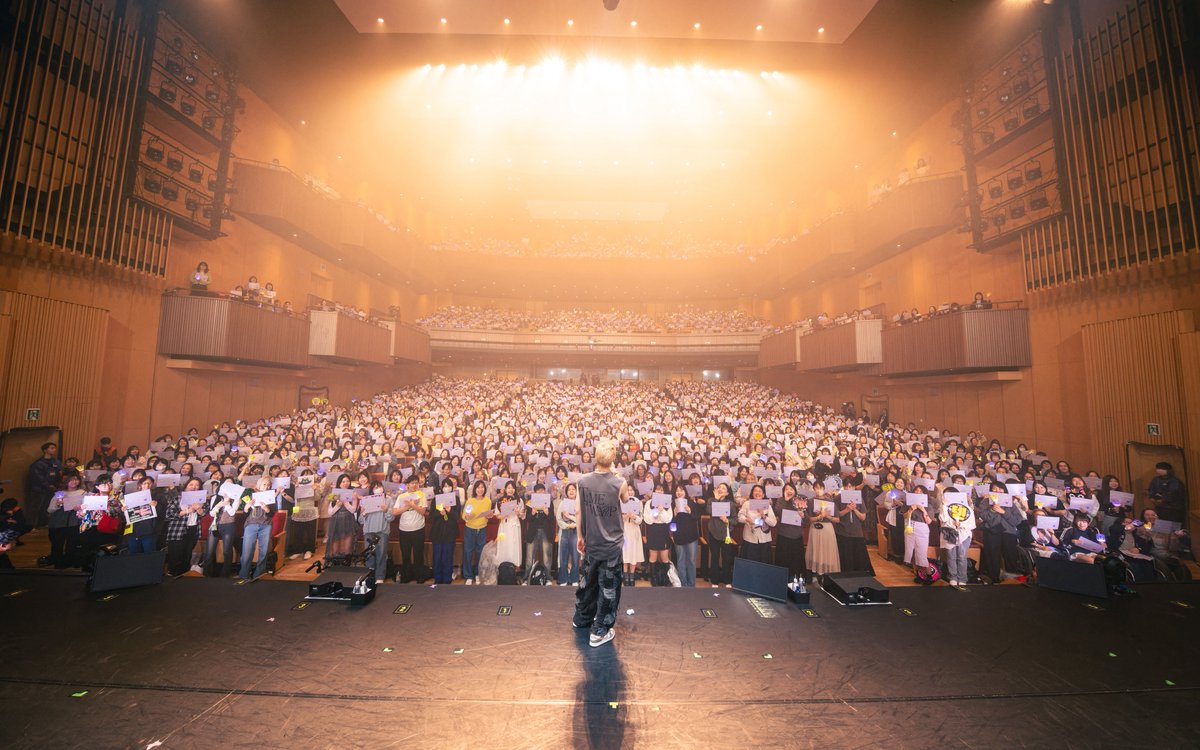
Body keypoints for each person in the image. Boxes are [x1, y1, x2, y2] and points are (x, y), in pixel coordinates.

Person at [572, 438, 628, 648]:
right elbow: (626, 500)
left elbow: (578, 511)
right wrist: (617, 475)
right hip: (611, 544)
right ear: (613, 459)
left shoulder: (583, 481)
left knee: (587, 582)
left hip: (591, 541)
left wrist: (580, 536)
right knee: (609, 587)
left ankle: (582, 619)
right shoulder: (619, 482)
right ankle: (600, 631)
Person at [239, 477, 276, 580]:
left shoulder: (271, 496)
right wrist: (247, 507)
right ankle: (244, 574)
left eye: (268, 485)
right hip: (251, 524)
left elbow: (272, 514)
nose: (267, 486)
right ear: (259, 484)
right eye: (264, 484)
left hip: (266, 525)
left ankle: (259, 574)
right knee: (247, 550)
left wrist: (267, 509)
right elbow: (244, 513)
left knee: (263, 551)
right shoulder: (251, 494)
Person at [359, 480, 392, 585]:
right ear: (371, 490)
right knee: (369, 554)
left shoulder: (388, 499)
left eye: (379, 486)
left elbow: (390, 518)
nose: (378, 488)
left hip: (382, 530)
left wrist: (386, 510)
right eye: (375, 487)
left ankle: (380, 576)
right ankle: (369, 576)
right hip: (368, 530)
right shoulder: (365, 500)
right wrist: (363, 512)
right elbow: (360, 520)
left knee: (381, 554)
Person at [461, 479, 492, 585]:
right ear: (475, 489)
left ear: (485, 489)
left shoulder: (488, 501)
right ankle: (468, 575)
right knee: (468, 552)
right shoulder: (470, 501)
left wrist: (489, 515)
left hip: (482, 528)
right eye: (478, 487)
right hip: (470, 528)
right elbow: (464, 516)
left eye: (482, 487)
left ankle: (477, 574)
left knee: (480, 552)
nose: (480, 489)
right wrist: (467, 516)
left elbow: (488, 515)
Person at [26, 441, 62, 528]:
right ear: (45, 450)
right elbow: (37, 477)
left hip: (53, 489)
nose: (54, 450)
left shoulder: (56, 462)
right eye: (51, 448)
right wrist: (48, 485)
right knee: (36, 507)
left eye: (55, 448)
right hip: (39, 489)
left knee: (47, 507)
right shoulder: (38, 463)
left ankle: (43, 523)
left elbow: (60, 473)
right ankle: (31, 526)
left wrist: (57, 485)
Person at [555, 482, 581, 586]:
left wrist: (569, 517)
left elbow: (581, 520)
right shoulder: (562, 503)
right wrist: (567, 526)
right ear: (566, 492)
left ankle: (574, 579)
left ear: (576, 492)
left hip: (575, 532)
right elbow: (558, 518)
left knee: (575, 556)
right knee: (563, 556)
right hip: (565, 531)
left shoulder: (579, 504)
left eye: (573, 489)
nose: (571, 491)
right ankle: (563, 579)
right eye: (569, 489)